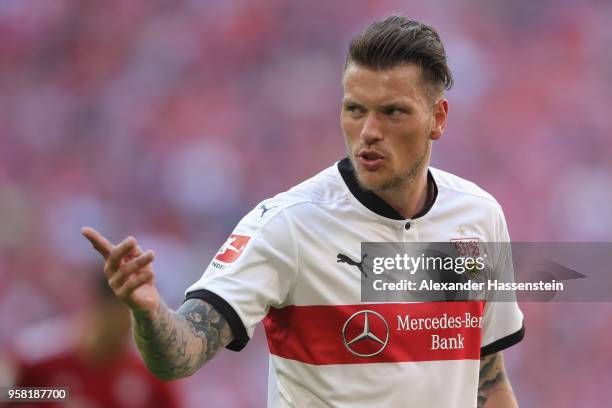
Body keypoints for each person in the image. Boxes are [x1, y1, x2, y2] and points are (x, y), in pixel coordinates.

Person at [83, 15, 524, 407]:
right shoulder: (289, 225)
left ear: (438, 118)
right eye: (355, 110)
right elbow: (181, 353)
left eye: (392, 112)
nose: (369, 131)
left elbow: (489, 379)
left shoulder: (479, 218)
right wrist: (148, 312)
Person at [8, 273, 179, 408]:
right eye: (129, 310)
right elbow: (13, 394)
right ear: (102, 305)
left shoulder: (148, 377)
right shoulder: (43, 356)